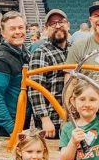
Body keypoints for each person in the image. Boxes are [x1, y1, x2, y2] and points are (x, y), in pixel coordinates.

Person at [0, 11, 32, 160]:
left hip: (20, 121)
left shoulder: (23, 54)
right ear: (4, 33)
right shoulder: (1, 59)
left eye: (21, 27)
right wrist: (14, 130)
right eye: (12, 29)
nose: (18, 31)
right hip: (5, 125)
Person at [29, 9, 70, 139]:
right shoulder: (41, 52)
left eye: (61, 22)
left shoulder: (74, 50)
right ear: (46, 29)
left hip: (72, 121)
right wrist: (45, 120)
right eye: (52, 23)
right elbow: (35, 89)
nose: (58, 26)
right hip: (52, 121)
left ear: (68, 25)